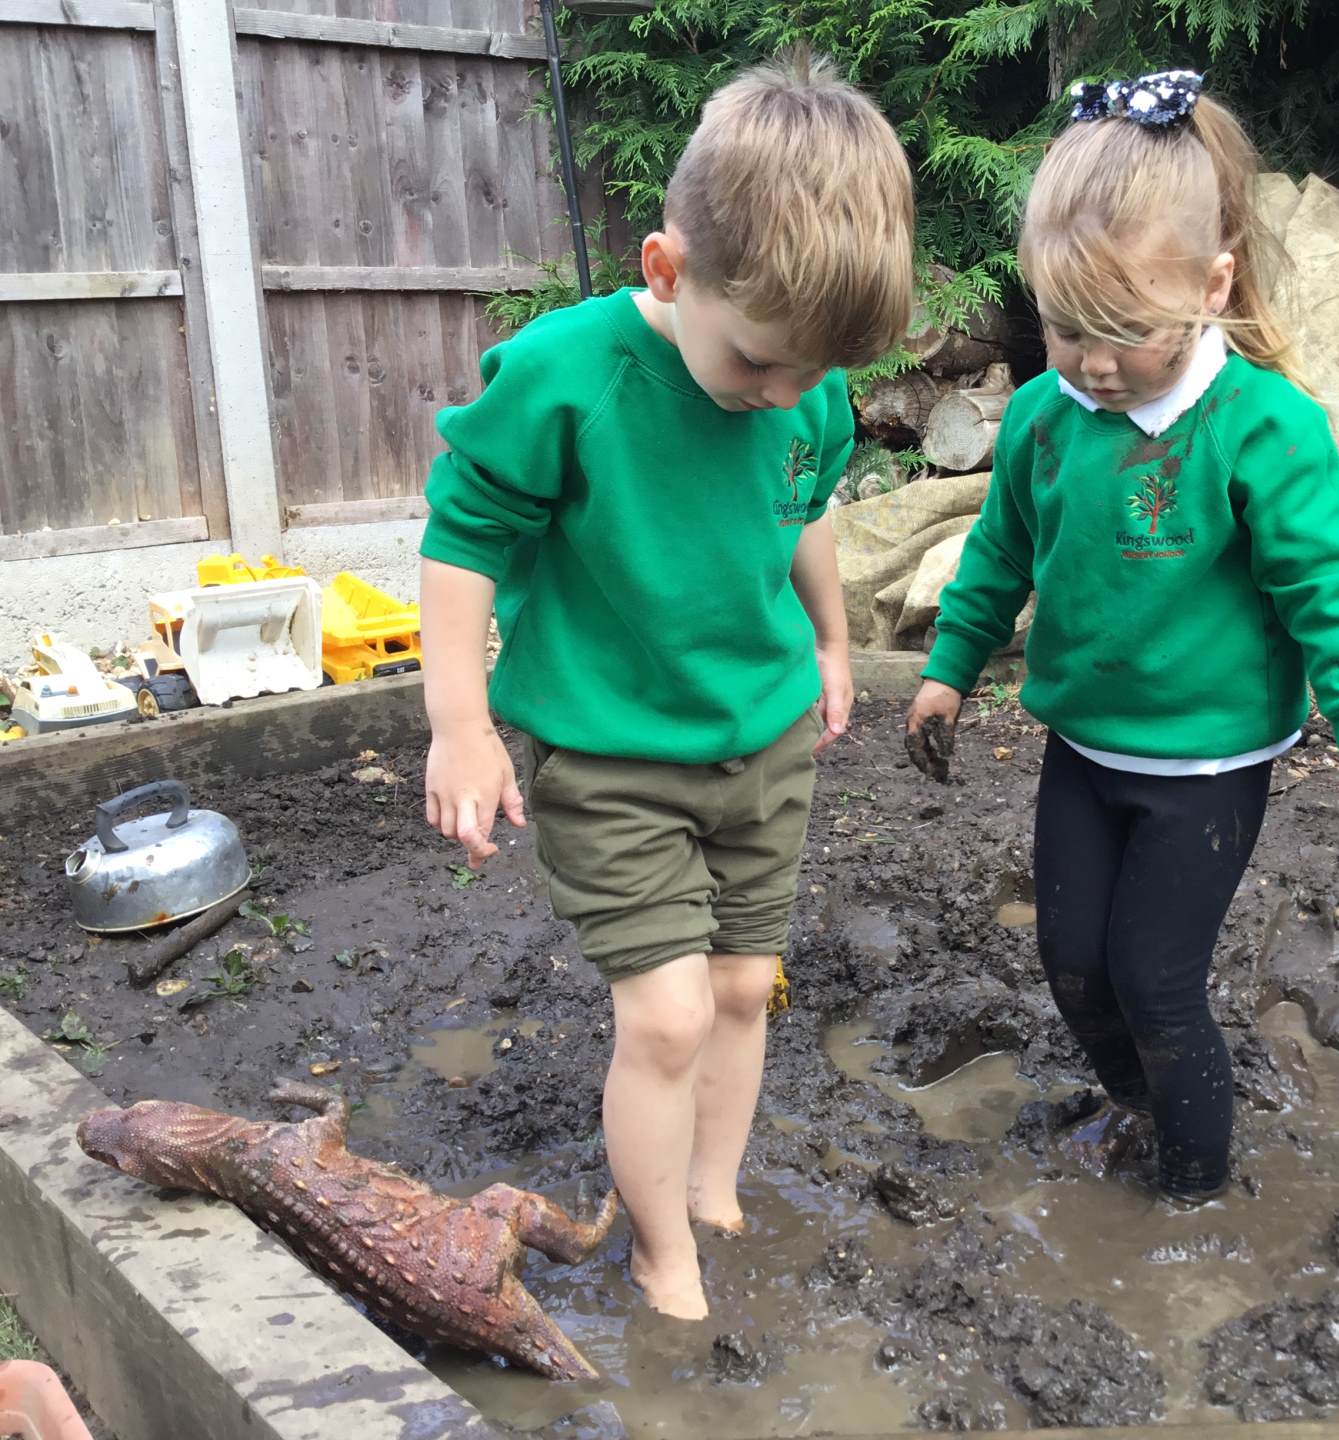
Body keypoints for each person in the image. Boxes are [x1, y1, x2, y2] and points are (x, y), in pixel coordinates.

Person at [417, 53, 914, 1320]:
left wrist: (832, 637)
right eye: (758, 364)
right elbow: (463, 537)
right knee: (673, 1016)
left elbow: (802, 506)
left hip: (762, 739)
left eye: (811, 375)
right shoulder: (567, 377)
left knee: (746, 985)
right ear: (665, 270)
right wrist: (460, 727)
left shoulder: (805, 385)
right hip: (611, 754)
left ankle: (711, 1185)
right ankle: (660, 1251)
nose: (785, 395)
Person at [904, 70, 1339, 1203]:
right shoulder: (1047, 418)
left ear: (1213, 283)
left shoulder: (1264, 430)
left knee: (1154, 978)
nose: (1093, 363)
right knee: (1072, 968)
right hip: (1084, 753)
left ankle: (1193, 1199)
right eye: (1064, 328)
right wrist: (947, 674)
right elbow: (998, 554)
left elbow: (1329, 593)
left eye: (1127, 333)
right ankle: (1138, 1108)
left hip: (1206, 767)